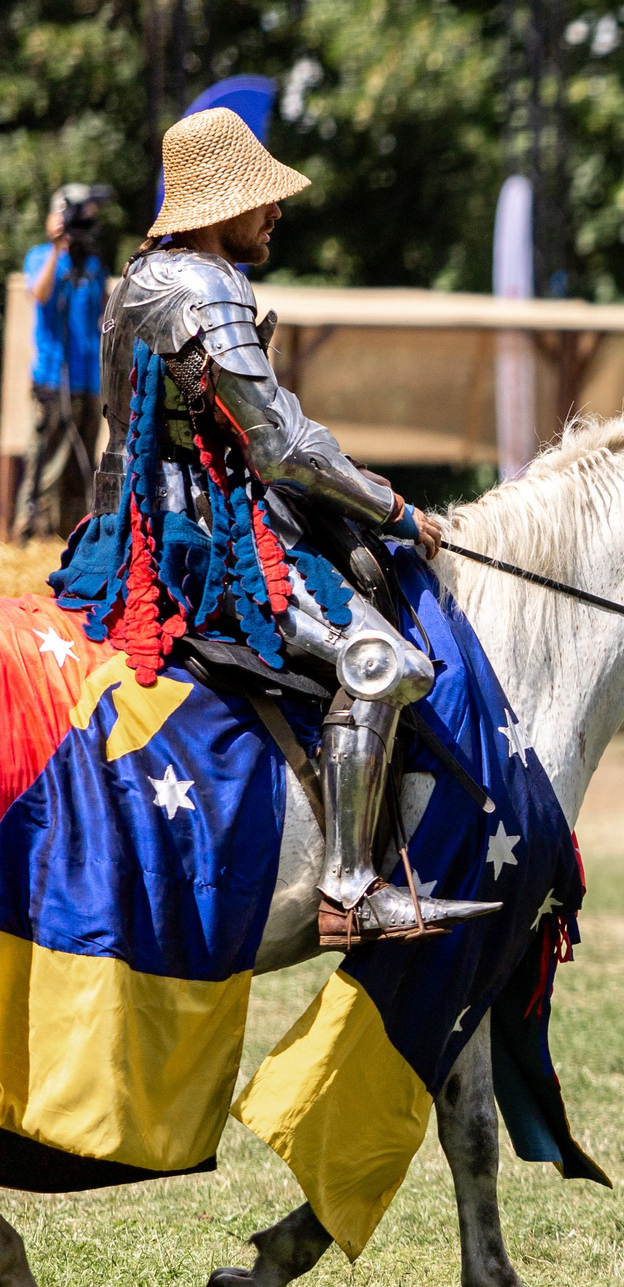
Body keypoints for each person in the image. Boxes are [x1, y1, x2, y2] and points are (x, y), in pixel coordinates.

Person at [49, 107, 497, 943]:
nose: (276, 211)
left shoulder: (140, 279)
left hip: (125, 525)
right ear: (218, 207)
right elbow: (283, 447)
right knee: (385, 662)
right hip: (198, 544)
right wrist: (393, 511)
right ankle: (352, 889)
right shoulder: (206, 285)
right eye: (260, 197)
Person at [14, 186, 110, 539]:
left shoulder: (94, 265)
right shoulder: (42, 256)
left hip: (89, 380)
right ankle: (29, 532)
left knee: (79, 463)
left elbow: (105, 315)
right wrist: (58, 246)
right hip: (53, 379)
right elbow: (38, 294)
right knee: (45, 460)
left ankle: (71, 535)